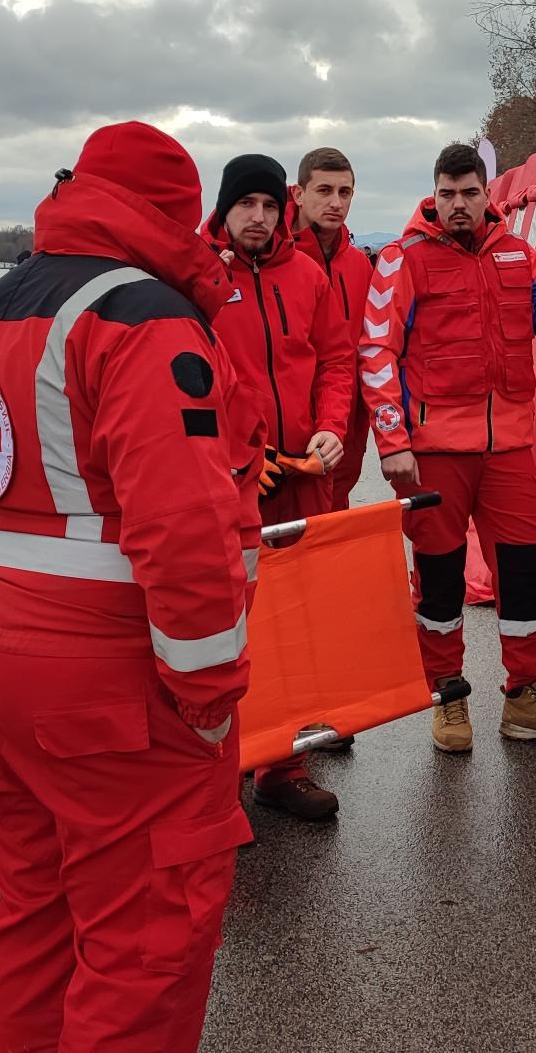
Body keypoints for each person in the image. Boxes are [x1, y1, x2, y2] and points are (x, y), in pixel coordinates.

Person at [0, 122, 262, 1052]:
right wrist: (208, 693)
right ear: (176, 212)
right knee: (146, 939)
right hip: (113, 677)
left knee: (34, 916)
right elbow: (184, 525)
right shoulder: (142, 315)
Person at [359, 141, 536, 752]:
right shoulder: (400, 258)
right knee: (439, 584)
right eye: (448, 194)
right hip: (433, 451)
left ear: (486, 195)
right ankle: (448, 698)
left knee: (525, 576)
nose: (459, 205)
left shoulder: (518, 254)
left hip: (508, 450)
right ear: (433, 195)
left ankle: (524, 699)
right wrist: (392, 443)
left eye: (469, 193)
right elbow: (376, 354)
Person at [204, 153, 355, 821]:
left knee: (296, 620)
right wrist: (236, 455)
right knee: (220, 628)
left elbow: (336, 360)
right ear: (225, 209)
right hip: (228, 483)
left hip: (301, 476)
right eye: (247, 206)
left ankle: (283, 766)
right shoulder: (198, 279)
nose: (259, 219)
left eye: (269, 206)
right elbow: (187, 380)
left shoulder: (307, 274)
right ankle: (214, 779)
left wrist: (331, 428)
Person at [291, 146, 375, 511]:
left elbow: (368, 347)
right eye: (324, 191)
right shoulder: (276, 259)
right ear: (299, 193)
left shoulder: (359, 265)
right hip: (290, 419)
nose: (336, 203)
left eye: (345, 193)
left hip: (346, 423)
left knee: (334, 519)